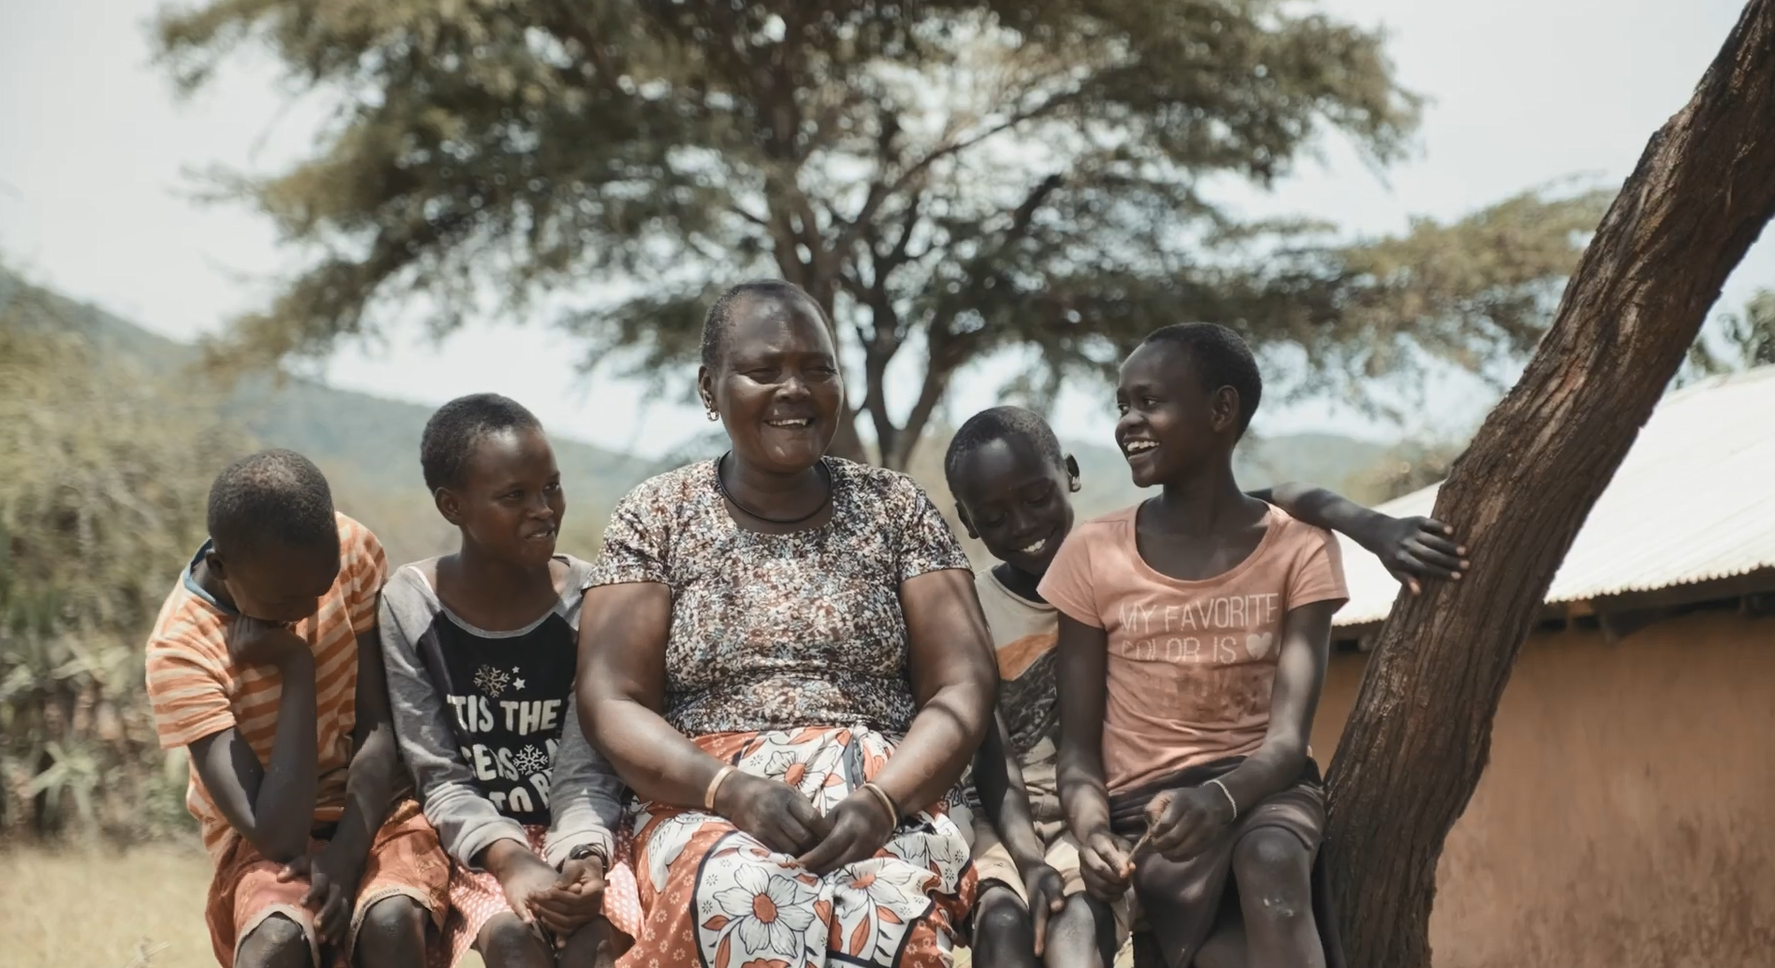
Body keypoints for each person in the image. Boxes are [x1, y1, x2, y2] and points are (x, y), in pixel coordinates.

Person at [942, 407, 1468, 968]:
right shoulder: (973, 611)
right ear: (969, 522)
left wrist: (1369, 527)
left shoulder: (1127, 553)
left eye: (1036, 498)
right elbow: (992, 756)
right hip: (1018, 818)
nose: (1022, 525)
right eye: (995, 516)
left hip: (1104, 814)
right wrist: (1029, 857)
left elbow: (1266, 500)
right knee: (1004, 930)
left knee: (1080, 929)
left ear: (1069, 473)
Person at [576, 279, 998, 968]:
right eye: (763, 370)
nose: (793, 389)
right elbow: (610, 700)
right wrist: (729, 790)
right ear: (710, 389)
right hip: (702, 797)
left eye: (816, 368)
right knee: (738, 894)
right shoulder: (656, 515)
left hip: (887, 789)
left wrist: (883, 803)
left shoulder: (896, 510)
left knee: (881, 906)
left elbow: (962, 685)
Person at [1042, 323, 1389, 968]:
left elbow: (1287, 744)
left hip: (1261, 793)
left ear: (1222, 410)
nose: (1127, 423)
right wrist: (1091, 831)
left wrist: (1224, 797)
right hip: (1142, 817)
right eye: (1122, 406)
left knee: (1273, 859)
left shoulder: (1298, 549)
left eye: (1149, 402)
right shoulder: (1094, 551)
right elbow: (1079, 748)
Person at [145, 450, 448, 968]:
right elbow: (276, 835)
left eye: (322, 586)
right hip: (260, 840)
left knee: (391, 921)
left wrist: (347, 855)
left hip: (378, 810)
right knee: (278, 942)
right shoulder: (182, 650)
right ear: (222, 567)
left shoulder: (352, 549)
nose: (311, 609)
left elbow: (378, 723)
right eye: (288, 603)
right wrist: (296, 669)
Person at [377, 394, 638, 968]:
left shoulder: (590, 602)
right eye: (514, 496)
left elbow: (586, 768)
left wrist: (584, 861)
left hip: (589, 833)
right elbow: (437, 772)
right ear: (453, 506)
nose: (543, 509)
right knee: (513, 943)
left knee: (594, 945)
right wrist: (510, 860)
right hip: (480, 845)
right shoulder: (412, 605)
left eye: (552, 487)